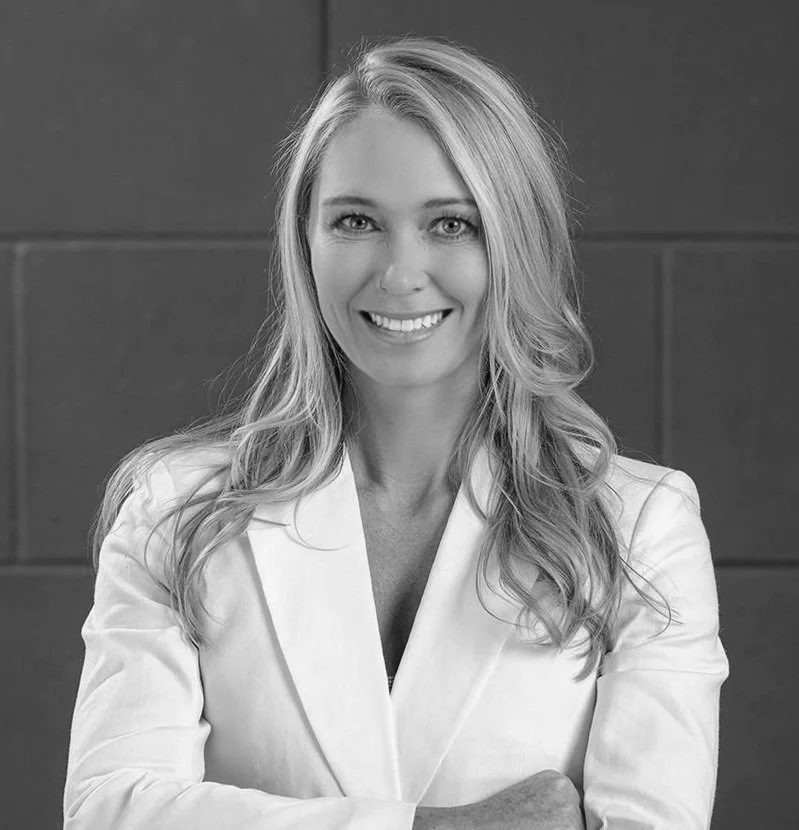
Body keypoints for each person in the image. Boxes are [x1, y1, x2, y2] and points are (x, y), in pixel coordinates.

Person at [63, 35, 728, 830]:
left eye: (450, 224)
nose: (400, 273)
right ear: (304, 245)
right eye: (356, 221)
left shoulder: (641, 528)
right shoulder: (175, 514)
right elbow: (109, 809)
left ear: (514, 242)